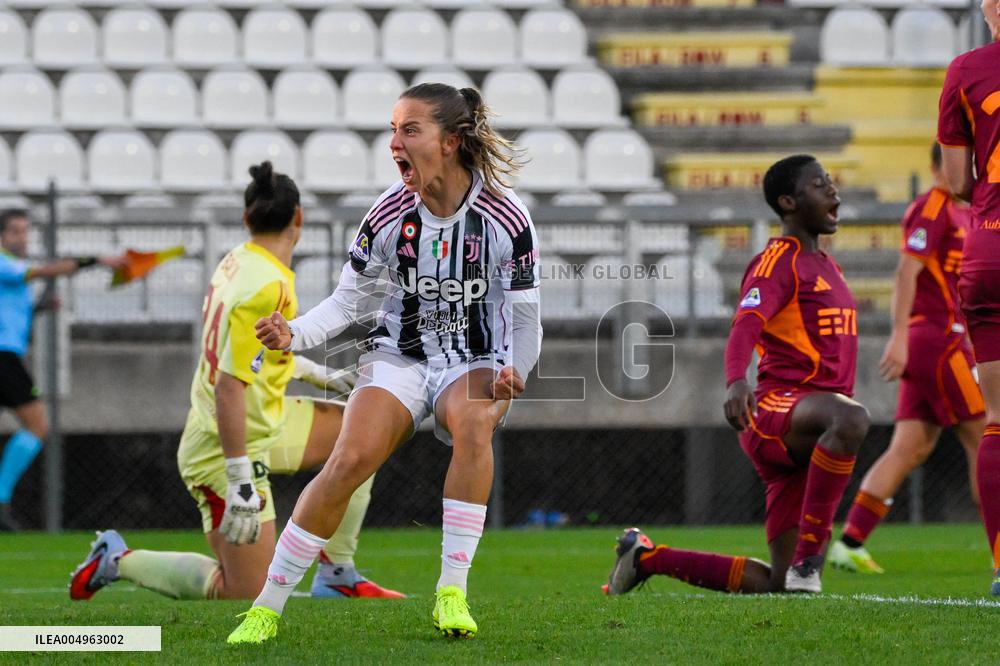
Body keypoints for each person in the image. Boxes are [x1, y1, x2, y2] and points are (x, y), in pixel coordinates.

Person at [226, 83, 542, 644]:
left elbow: (525, 318)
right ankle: (266, 608)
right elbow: (350, 302)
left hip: (473, 359)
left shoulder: (506, 217)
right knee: (348, 458)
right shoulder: (389, 213)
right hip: (399, 354)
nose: (394, 142)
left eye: (409, 130)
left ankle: (451, 593)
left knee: (472, 423)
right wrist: (292, 333)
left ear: (450, 142)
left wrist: (517, 367)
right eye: (393, 129)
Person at [69, 162, 402, 602]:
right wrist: (239, 475)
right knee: (244, 592)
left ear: (247, 219)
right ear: (299, 218)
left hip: (265, 421)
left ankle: (337, 573)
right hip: (224, 443)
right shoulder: (267, 285)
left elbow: (249, 355)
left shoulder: (240, 261)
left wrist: (313, 373)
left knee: (362, 435)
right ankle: (117, 559)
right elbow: (230, 385)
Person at [606, 155, 868, 596]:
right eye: (820, 185)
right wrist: (736, 380)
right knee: (852, 419)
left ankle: (646, 557)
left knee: (779, 586)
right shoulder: (778, 260)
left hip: (812, 427)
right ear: (788, 202)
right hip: (777, 410)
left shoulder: (828, 266)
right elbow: (746, 323)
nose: (833, 192)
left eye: (831, 184)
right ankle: (810, 559)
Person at [829, 144, 984, 575]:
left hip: (940, 341)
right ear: (940, 165)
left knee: (910, 447)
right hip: (936, 341)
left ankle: (850, 543)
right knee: (985, 434)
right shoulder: (931, 208)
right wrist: (899, 336)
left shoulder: (962, 212)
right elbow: (905, 272)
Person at [0, 209, 122, 531]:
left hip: (8, 355)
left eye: (25, 232)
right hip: (3, 357)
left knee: (36, 425)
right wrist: (93, 260)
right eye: (14, 232)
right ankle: (0, 499)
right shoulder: (4, 263)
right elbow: (44, 271)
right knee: (38, 424)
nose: (21, 238)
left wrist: (40, 308)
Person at [938, 0, 1000, 595]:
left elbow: (957, 181)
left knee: (997, 422)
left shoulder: (965, 70)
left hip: (990, 250)